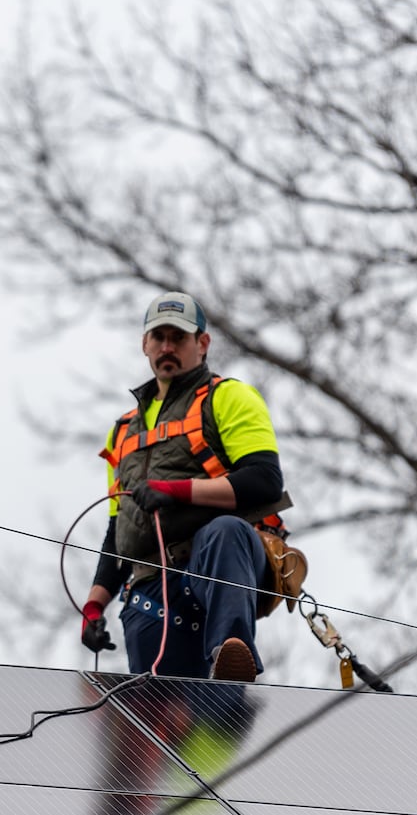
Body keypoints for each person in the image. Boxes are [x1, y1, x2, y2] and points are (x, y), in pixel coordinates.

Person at [80, 292, 287, 681]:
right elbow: (117, 532)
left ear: (202, 343)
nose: (167, 347)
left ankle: (230, 654)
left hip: (215, 568)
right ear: (145, 343)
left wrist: (178, 490)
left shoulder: (228, 398)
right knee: (161, 725)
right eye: (158, 338)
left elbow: (264, 480)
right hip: (150, 593)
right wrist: (94, 605)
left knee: (224, 531)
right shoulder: (123, 432)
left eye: (179, 337)